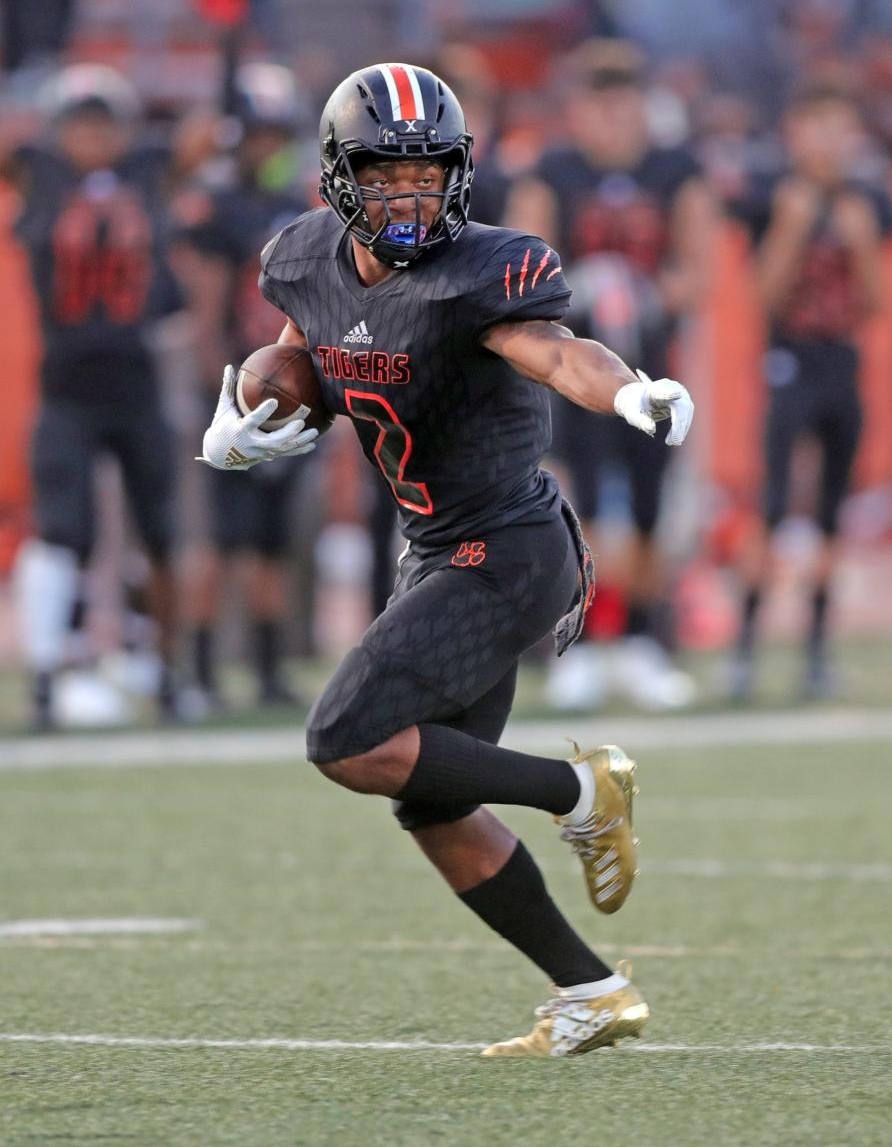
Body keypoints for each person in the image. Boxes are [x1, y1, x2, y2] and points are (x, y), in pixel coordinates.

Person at [198, 63, 694, 1057]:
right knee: (433, 803)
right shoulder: (304, 258)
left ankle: (583, 792)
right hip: (436, 552)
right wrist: (245, 414)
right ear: (341, 179)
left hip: (508, 551)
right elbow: (302, 348)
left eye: (428, 173)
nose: (412, 193)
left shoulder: (487, 271)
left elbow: (555, 352)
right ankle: (592, 990)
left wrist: (630, 389)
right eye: (387, 174)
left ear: (458, 174)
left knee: (343, 740)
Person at [507, 40, 712, 711]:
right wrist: (578, 288)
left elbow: (697, 269)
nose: (613, 119)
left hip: (654, 368)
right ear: (578, 111)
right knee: (582, 504)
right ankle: (588, 641)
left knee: (653, 508)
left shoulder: (674, 169)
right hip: (579, 372)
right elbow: (523, 264)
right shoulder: (553, 171)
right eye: (599, 104)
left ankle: (647, 641)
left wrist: (650, 292)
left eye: (623, 103)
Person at [5, 64, 184, 728]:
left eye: (103, 121)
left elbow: (206, 139)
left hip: (137, 381)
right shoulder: (36, 173)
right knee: (63, 532)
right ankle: (50, 676)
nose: (92, 135)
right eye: (80, 122)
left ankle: (167, 671)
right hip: (67, 386)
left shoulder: (147, 170)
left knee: (161, 535)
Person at [728, 84, 891, 700]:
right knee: (771, 506)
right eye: (816, 127)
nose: (828, 143)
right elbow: (762, 297)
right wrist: (793, 228)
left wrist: (864, 239)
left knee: (830, 514)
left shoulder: (867, 199)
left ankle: (817, 651)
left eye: (839, 128)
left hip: (841, 364)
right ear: (795, 132)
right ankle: (744, 647)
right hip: (787, 360)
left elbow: (876, 303)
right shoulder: (773, 194)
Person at [175, 63, 313, 710]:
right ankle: (200, 674)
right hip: (237, 395)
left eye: (277, 135)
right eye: (260, 135)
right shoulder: (219, 206)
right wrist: (228, 403)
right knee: (220, 542)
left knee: (272, 542)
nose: (270, 148)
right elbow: (205, 316)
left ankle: (265, 672)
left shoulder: (302, 204)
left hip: (289, 396)